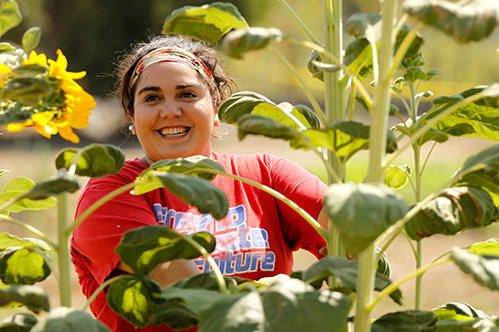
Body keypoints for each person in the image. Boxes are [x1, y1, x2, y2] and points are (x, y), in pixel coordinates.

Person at [70, 35, 328, 332]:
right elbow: (182, 285)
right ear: (132, 114)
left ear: (216, 107)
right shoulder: (110, 191)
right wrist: (284, 297)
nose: (169, 111)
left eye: (187, 94)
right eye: (152, 98)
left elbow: (353, 236)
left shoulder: (266, 175)